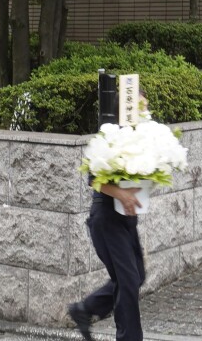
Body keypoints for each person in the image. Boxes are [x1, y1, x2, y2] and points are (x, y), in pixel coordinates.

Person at [69, 92, 149, 340]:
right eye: (140, 108)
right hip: (106, 217)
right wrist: (122, 195)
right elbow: (93, 179)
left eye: (145, 108)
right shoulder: (109, 137)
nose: (145, 112)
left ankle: (85, 309)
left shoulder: (142, 137)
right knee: (127, 281)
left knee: (136, 275)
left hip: (126, 217)